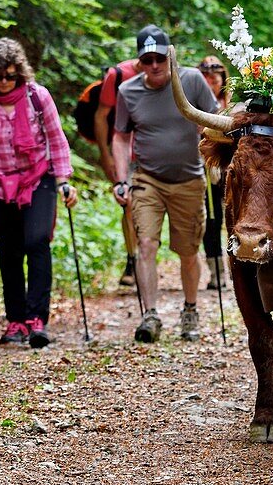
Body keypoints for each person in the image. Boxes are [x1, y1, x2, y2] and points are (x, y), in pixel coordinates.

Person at [0, 37, 78, 349]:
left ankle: (37, 320)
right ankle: (16, 321)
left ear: (20, 73)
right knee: (9, 252)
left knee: (36, 242)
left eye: (10, 76)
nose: (4, 82)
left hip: (38, 178)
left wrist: (63, 180)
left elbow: (56, 139)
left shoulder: (38, 97)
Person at [111, 26, 219, 343]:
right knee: (145, 244)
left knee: (188, 251)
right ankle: (150, 315)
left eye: (160, 58)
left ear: (170, 57)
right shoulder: (128, 92)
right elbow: (120, 137)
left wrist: (214, 156)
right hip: (148, 179)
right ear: (139, 62)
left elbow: (214, 120)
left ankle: (190, 309)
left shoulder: (192, 81)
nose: (155, 66)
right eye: (148, 60)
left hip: (188, 180)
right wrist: (121, 178)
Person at [93, 43, 143, 287]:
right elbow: (101, 115)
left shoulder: (167, 72)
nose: (153, 64)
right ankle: (132, 258)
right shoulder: (118, 75)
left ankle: (144, 255)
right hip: (125, 153)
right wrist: (106, 154)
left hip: (154, 153)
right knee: (128, 206)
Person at [198, 55, 229, 291]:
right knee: (211, 218)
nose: (210, 82)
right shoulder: (195, 103)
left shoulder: (231, 102)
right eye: (205, 77)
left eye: (214, 77)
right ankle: (216, 272)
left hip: (230, 168)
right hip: (205, 166)